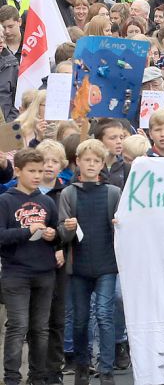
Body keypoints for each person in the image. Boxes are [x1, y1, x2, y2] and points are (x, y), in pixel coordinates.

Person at [57, 139, 122, 385]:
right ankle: (83, 366)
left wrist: (119, 225)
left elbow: (125, 229)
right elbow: (62, 234)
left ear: (102, 164)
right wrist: (68, 228)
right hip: (79, 266)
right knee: (81, 319)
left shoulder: (113, 193)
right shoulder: (69, 193)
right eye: (87, 160)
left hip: (107, 264)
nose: (92, 164)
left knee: (105, 315)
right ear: (78, 163)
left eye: (96, 161)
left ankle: (106, 370)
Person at [0, 149, 59, 385]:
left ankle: (38, 376)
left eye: (40, 171)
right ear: (17, 171)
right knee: (18, 326)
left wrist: (55, 234)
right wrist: (27, 231)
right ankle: (12, 377)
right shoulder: (5, 201)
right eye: (31, 171)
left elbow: (57, 234)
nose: (37, 176)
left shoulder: (46, 201)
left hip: (45, 272)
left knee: (40, 328)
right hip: (16, 272)